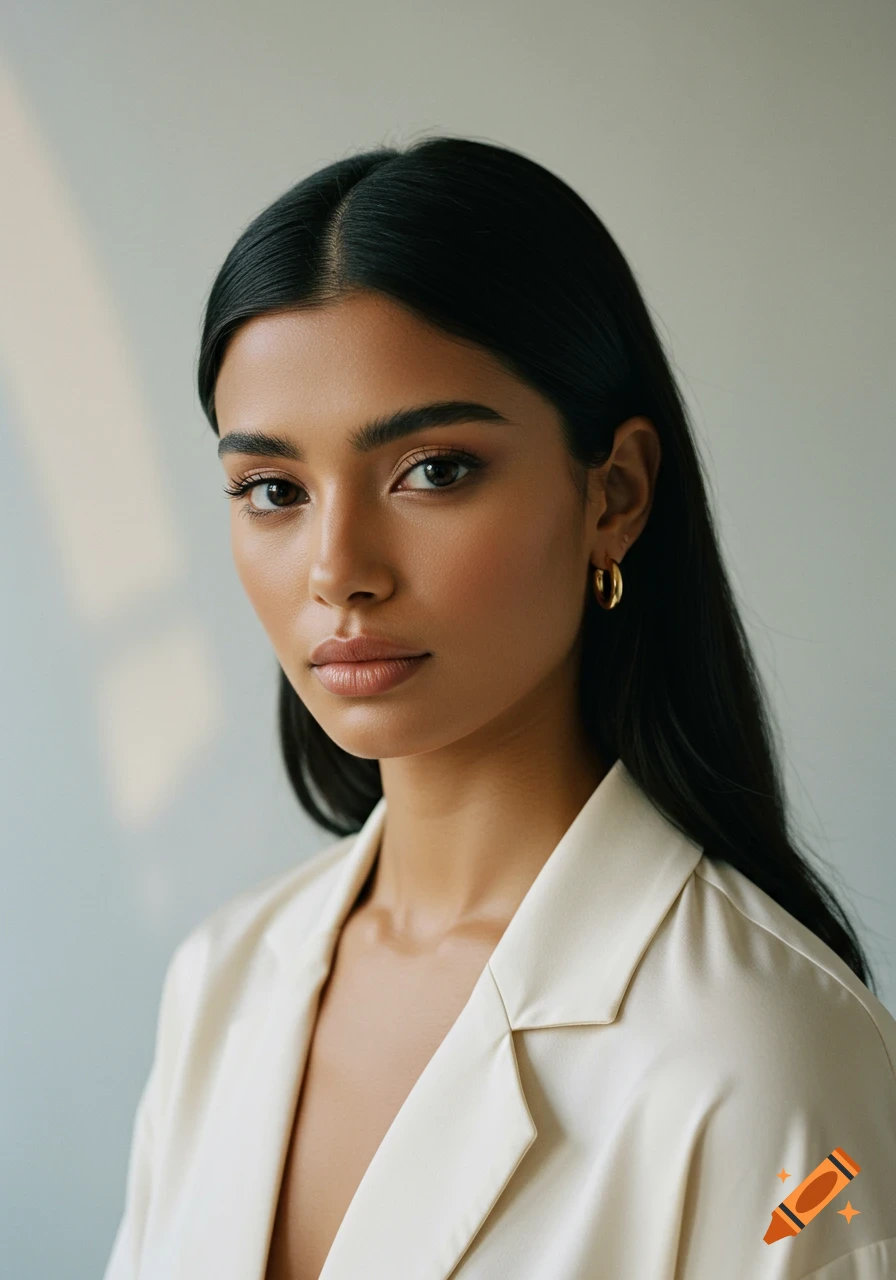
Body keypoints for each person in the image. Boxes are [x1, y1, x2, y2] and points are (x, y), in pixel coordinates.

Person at [104, 136, 896, 1280]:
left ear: (612, 493)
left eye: (431, 469)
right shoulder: (221, 979)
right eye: (272, 490)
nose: (337, 569)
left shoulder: (769, 1061)